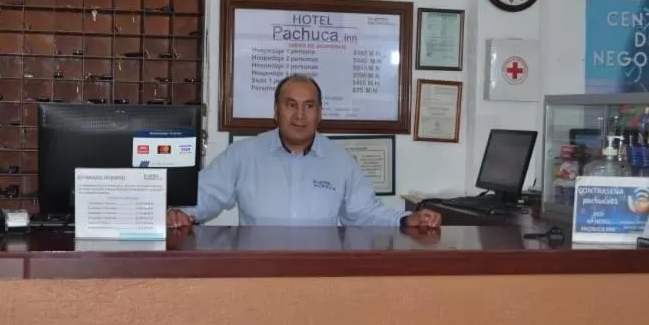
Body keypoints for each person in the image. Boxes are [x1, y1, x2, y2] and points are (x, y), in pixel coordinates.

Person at [166, 74, 442, 229]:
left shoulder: (341, 161)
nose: (300, 115)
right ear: (276, 110)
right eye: (291, 105)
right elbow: (204, 196)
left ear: (320, 113)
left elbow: (364, 212)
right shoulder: (243, 155)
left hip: (320, 275)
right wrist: (179, 213)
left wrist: (407, 219)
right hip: (256, 275)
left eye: (309, 106)